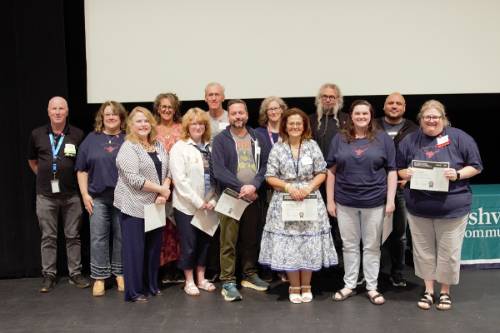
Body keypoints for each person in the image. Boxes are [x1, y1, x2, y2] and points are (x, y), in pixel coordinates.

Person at [396, 100, 482, 311]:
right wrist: (405, 173)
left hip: (453, 209)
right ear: (421, 120)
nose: (431, 121)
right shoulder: (410, 140)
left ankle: (444, 292)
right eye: (427, 117)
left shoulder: (460, 138)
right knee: (423, 252)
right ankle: (428, 290)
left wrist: (458, 174)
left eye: (436, 117)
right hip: (419, 209)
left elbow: (476, 166)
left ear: (443, 119)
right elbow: (399, 169)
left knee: (449, 252)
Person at [259, 108, 338, 304]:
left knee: (308, 244)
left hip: (310, 199)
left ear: (304, 126)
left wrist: (309, 187)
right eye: (291, 123)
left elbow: (322, 171)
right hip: (284, 201)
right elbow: (269, 176)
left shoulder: (312, 146)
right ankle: (294, 286)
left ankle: (307, 286)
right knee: (290, 245)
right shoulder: (278, 148)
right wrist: (288, 187)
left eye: (298, 124)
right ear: (285, 125)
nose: (295, 127)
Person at [326, 100, 397, 305]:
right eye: (357, 113)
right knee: (349, 246)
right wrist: (330, 201)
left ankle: (372, 287)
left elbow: (392, 170)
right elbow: (330, 171)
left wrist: (390, 200)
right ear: (351, 116)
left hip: (374, 202)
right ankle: (349, 284)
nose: (361, 117)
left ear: (371, 115)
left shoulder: (382, 139)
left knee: (372, 246)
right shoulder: (340, 138)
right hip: (345, 202)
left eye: (365, 113)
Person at [28, 96, 90, 293]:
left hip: (71, 195)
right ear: (48, 111)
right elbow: (32, 161)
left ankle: (75, 274)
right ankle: (49, 275)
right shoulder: (37, 134)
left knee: (73, 236)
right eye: (53, 108)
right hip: (45, 196)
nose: (57, 112)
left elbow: (83, 164)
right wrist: (46, 175)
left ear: (67, 111)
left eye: (61, 108)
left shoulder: (78, 134)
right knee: (48, 236)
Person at [211, 99, 270, 302]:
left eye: (241, 113)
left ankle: (249, 274)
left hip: (253, 196)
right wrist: (241, 188)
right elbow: (218, 170)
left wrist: (254, 186)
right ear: (229, 116)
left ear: (246, 114)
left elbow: (264, 167)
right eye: (234, 113)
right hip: (230, 197)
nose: (238, 116)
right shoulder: (220, 139)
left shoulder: (257, 136)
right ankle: (227, 280)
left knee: (251, 238)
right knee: (228, 241)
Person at [114, 106, 171, 302]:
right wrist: (160, 190)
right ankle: (135, 292)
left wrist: (165, 191)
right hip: (134, 206)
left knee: (153, 250)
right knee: (135, 251)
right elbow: (134, 179)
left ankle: (151, 286)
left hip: (156, 205)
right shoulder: (128, 147)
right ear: (131, 124)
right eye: (138, 121)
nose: (143, 124)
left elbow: (169, 171)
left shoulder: (158, 145)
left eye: (146, 120)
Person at [75, 101, 127, 296]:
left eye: (115, 114)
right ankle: (99, 277)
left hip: (122, 197)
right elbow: (81, 169)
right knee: (98, 238)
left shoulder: (128, 139)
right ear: (102, 118)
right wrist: (84, 195)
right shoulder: (91, 139)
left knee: (121, 237)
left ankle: (120, 273)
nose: (111, 117)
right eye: (107, 114)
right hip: (97, 197)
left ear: (121, 118)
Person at [170, 108, 218, 296]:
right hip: (187, 206)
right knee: (189, 244)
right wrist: (199, 202)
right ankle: (189, 280)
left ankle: (201, 278)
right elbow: (180, 181)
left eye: (201, 124)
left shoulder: (211, 147)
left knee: (205, 244)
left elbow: (216, 178)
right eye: (193, 123)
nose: (197, 127)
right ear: (187, 126)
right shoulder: (179, 148)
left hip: (209, 204)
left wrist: (213, 199)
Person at [376, 92, 418, 287]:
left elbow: (421, 158)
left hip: (401, 189)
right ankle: (370, 274)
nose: (394, 106)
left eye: (398, 103)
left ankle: (397, 272)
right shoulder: (372, 125)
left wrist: (409, 178)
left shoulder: (414, 129)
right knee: (370, 234)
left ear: (404, 107)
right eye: (390, 103)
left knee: (399, 235)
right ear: (384, 107)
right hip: (374, 189)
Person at [309, 83, 348, 265]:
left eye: (332, 97)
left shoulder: (348, 121)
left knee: (340, 225)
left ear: (338, 100)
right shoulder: (309, 121)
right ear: (319, 99)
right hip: (315, 182)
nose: (328, 100)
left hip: (342, 182)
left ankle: (340, 266)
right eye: (324, 96)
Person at [153, 92, 183, 284]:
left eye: (170, 107)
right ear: (158, 108)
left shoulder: (183, 129)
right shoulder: (151, 129)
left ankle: (178, 268)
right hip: (156, 188)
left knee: (178, 228)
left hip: (179, 188)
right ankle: (162, 268)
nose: (166, 110)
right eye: (163, 106)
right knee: (160, 229)